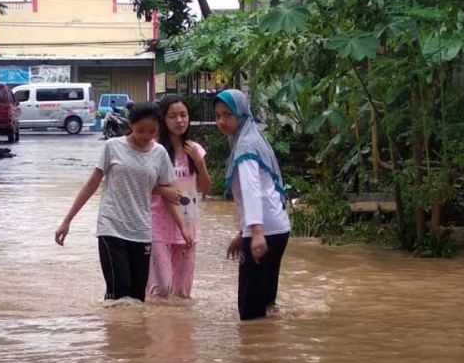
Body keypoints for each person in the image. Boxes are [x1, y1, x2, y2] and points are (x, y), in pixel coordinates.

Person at [56, 102, 192, 302]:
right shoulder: (113, 147)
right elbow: (91, 185)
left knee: (137, 297)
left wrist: (184, 227)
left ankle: (133, 333)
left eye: (152, 131)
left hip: (142, 231)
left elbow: (169, 194)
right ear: (131, 125)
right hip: (111, 227)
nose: (146, 136)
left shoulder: (160, 153)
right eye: (140, 130)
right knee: (118, 293)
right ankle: (114, 332)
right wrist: (67, 221)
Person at [214, 89, 291, 321]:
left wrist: (255, 233)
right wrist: (243, 232)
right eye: (217, 116)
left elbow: (253, 190)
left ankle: (255, 355)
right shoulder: (253, 138)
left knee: (249, 313)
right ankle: (267, 352)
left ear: (241, 114)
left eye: (228, 115)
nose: (222, 121)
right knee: (265, 306)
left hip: (264, 231)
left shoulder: (245, 146)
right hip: (277, 228)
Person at [148, 95, 211, 299]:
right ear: (163, 120)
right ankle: (152, 329)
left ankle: (181, 330)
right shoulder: (154, 150)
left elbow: (205, 188)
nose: (179, 121)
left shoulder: (195, 150)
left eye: (183, 115)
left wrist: (199, 163)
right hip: (158, 226)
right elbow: (143, 185)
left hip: (188, 225)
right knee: (161, 289)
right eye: (173, 116)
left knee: (183, 293)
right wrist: (162, 190)